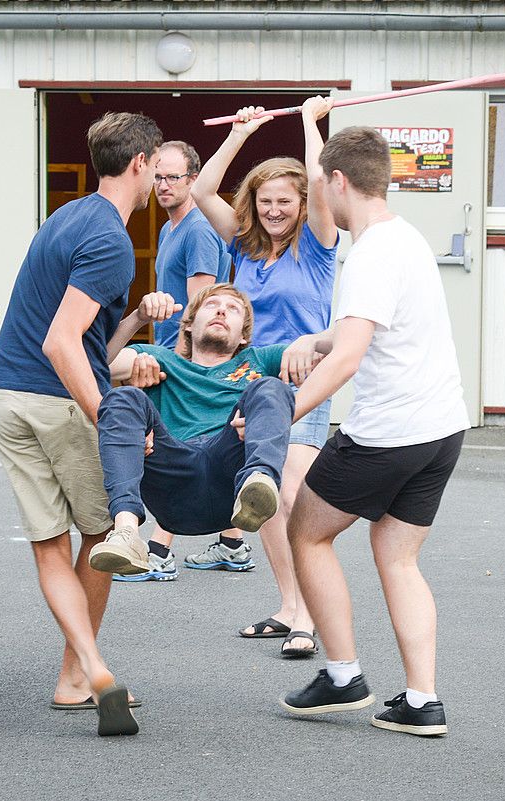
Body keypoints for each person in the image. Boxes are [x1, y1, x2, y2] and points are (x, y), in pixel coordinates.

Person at [276, 124, 469, 737]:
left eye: (319, 185)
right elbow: (366, 329)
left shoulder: (367, 255)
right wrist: (313, 336)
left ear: (337, 181)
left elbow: (349, 358)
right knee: (396, 554)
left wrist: (282, 411)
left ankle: (342, 676)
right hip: (442, 430)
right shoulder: (405, 238)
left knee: (306, 530)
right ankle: (422, 700)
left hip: (388, 433)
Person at [0, 111, 162, 737]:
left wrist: (134, 325)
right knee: (101, 537)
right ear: (139, 164)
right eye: (156, 168)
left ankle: (83, 672)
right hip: (56, 401)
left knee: (49, 546)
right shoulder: (112, 240)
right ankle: (78, 674)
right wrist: (109, 418)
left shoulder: (66, 217)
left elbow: (82, 336)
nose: (157, 182)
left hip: (6, 398)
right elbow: (63, 344)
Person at [192, 97, 338, 657]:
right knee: (268, 499)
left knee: (293, 492)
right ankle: (290, 605)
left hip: (304, 383)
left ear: (302, 205)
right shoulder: (245, 245)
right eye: (265, 201)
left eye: (285, 201)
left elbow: (322, 179)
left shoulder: (318, 247)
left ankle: (308, 612)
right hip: (250, 384)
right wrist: (240, 133)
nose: (275, 210)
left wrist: (307, 122)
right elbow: (204, 192)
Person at [97, 284, 293, 562]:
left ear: (243, 337)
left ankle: (260, 480)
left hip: (233, 477)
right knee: (123, 396)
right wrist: (139, 318)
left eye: (233, 309)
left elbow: (335, 355)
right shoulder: (158, 359)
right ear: (188, 325)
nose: (222, 310)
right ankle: (126, 532)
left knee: (271, 388)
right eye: (212, 304)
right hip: (173, 478)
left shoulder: (259, 360)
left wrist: (273, 420)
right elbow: (95, 364)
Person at [123, 140, 236, 582]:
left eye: (174, 177)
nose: (163, 185)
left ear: (193, 179)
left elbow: (203, 306)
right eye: (158, 176)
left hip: (184, 359)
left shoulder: (199, 230)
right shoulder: (172, 228)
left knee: (177, 449)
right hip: (172, 352)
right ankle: (231, 542)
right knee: (198, 447)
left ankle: (157, 551)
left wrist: (180, 364)